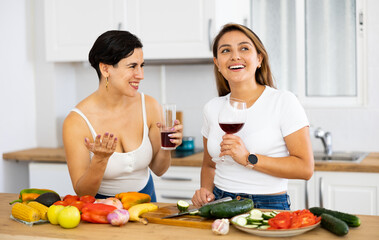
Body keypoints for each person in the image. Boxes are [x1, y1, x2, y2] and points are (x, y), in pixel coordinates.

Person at [191, 23, 313, 210]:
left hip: (267, 205)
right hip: (220, 203)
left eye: (244, 48)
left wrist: (249, 158)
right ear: (217, 63)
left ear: (259, 59)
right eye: (225, 51)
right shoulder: (212, 108)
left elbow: (305, 168)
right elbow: (209, 165)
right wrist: (205, 190)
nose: (235, 56)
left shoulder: (283, 101)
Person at [62, 30, 183, 201]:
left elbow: (159, 170)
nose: (140, 75)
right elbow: (83, 193)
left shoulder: (149, 106)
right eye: (132, 66)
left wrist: (166, 147)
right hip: (103, 211)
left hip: (147, 204)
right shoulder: (76, 122)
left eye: (142, 66)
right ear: (105, 69)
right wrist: (100, 160)